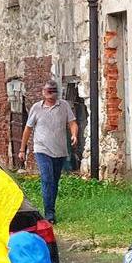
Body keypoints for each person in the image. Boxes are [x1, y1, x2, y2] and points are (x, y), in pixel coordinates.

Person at [19, 80, 77, 223]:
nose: (51, 94)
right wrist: (22, 149)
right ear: (43, 93)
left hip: (60, 150)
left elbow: (72, 122)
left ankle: (51, 207)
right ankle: (49, 214)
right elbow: (28, 129)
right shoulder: (36, 108)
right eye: (48, 91)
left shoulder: (64, 106)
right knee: (47, 179)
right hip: (42, 149)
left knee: (54, 182)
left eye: (54, 91)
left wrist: (74, 134)